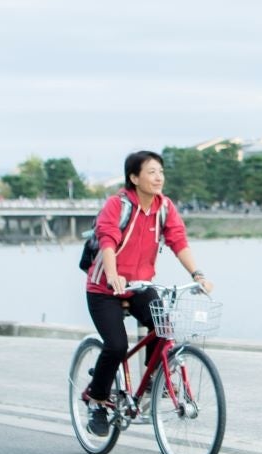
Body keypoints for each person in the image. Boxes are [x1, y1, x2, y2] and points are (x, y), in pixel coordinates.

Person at [80, 151, 215, 435]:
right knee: (116, 346)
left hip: (139, 286)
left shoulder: (164, 207)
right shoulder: (118, 205)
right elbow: (108, 239)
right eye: (151, 172)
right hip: (104, 288)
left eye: (161, 172)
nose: (158, 177)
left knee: (164, 326)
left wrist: (197, 275)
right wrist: (113, 273)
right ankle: (97, 400)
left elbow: (178, 241)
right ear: (134, 177)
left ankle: (156, 381)